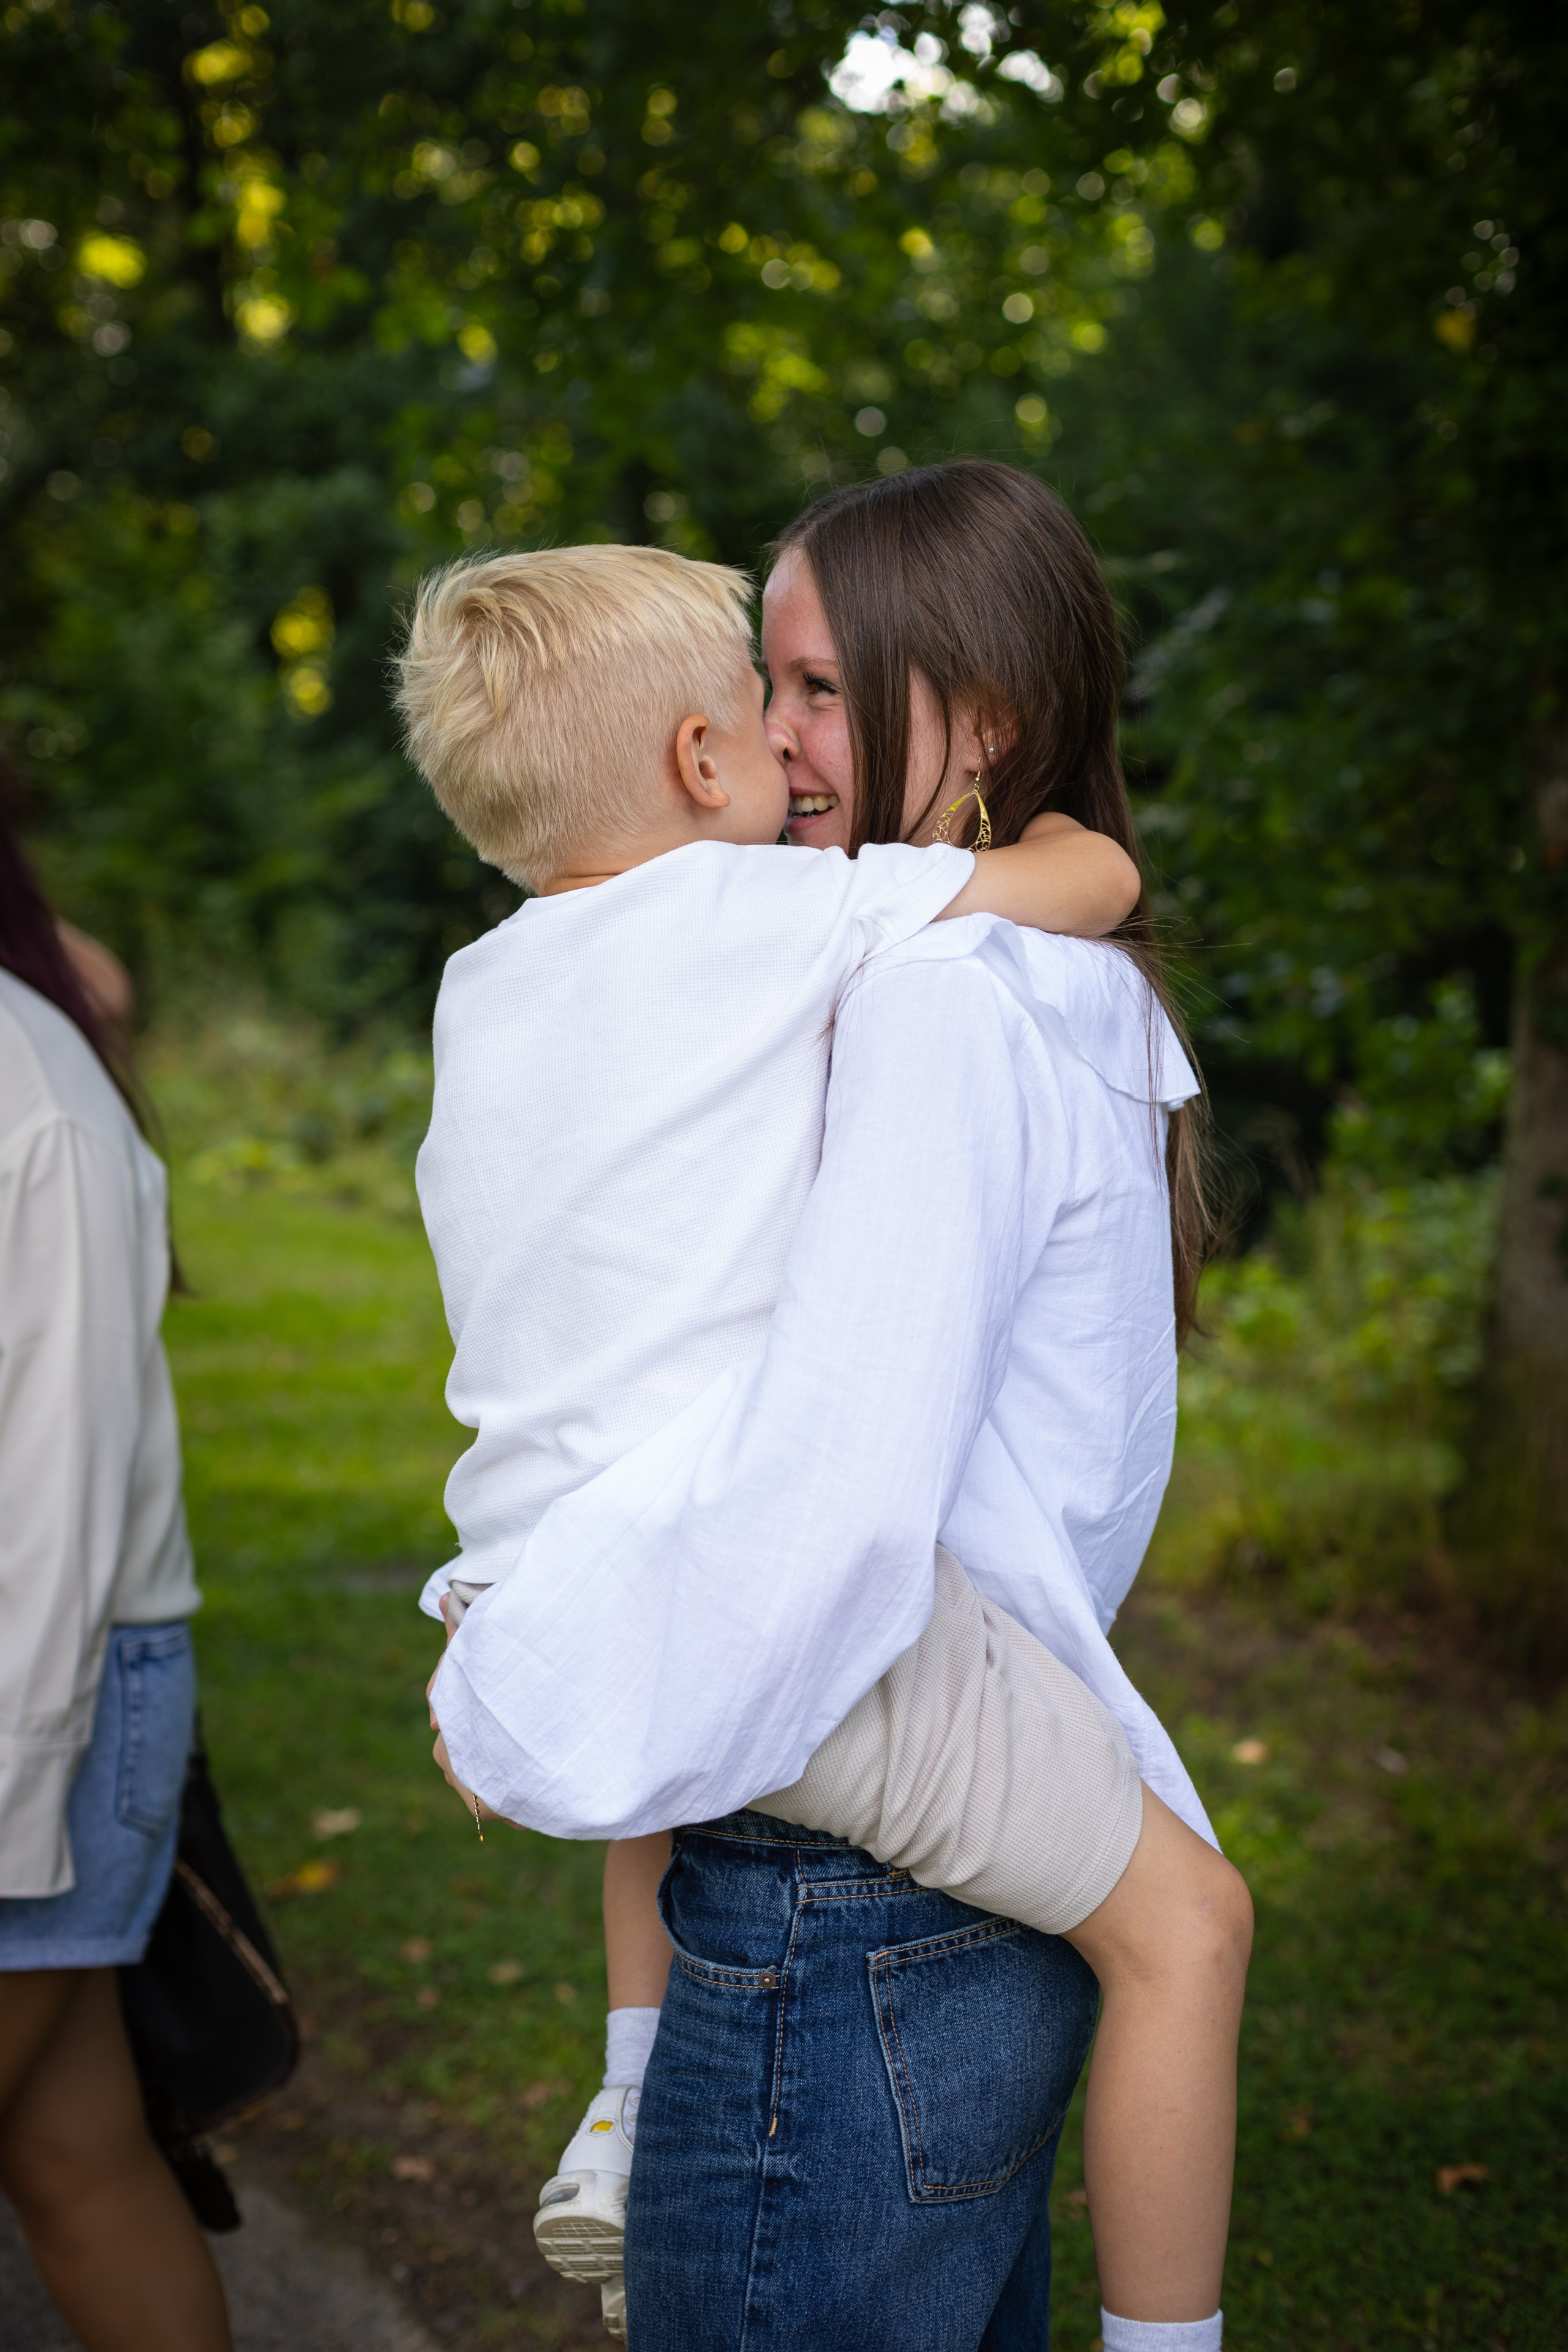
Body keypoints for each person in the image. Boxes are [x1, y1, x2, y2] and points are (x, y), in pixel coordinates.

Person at [398, 515, 1249, 2348]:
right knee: (1189, 1926)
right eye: (762, 694)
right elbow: (845, 1489)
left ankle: (627, 2091)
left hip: (614, 1586)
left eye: (821, 689)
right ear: (694, 755)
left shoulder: (489, 986)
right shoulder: (850, 946)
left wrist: (533, 1645)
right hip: (807, 1715)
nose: (788, 744)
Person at [0, 791, 234, 2352]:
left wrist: (9, 1807)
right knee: (73, 2155)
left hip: (41, 1699)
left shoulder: (32, 1089)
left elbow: (52, 1503)